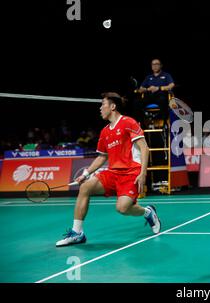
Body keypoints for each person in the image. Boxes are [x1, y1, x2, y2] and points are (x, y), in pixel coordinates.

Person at [56, 92, 161, 247]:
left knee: (123, 208)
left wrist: (143, 173)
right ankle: (77, 233)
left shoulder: (128, 122)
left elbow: (144, 148)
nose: (100, 108)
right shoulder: (105, 131)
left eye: (102, 104)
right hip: (113, 173)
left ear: (113, 106)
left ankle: (148, 213)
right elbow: (102, 157)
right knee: (85, 187)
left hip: (131, 172)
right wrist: (86, 174)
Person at [134, 58, 175, 126]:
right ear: (151, 66)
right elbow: (141, 88)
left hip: (161, 96)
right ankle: (142, 122)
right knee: (137, 102)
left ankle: (159, 120)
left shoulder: (166, 75)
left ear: (161, 65)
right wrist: (147, 89)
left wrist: (158, 88)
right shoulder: (148, 77)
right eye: (153, 64)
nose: (155, 66)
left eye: (157, 64)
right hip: (150, 96)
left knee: (163, 101)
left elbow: (172, 85)